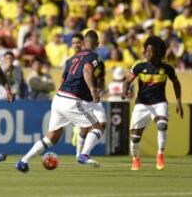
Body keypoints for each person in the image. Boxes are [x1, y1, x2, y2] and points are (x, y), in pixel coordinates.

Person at [16, 32, 105, 173]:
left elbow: (63, 80)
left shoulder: (72, 58)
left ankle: (23, 161)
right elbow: (87, 69)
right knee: (97, 128)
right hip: (71, 99)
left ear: (83, 43)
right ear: (96, 44)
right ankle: (84, 154)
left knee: (52, 138)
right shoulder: (95, 57)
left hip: (58, 99)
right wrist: (93, 90)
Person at [122, 36, 183, 171]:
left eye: (151, 52)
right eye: (146, 51)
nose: (148, 54)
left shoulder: (166, 67)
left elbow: (176, 83)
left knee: (162, 125)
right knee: (135, 138)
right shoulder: (139, 65)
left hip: (159, 102)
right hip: (142, 104)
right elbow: (127, 81)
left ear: (158, 52)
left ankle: (160, 154)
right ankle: (135, 159)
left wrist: (178, 101)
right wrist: (124, 90)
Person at [71, 31, 107, 159]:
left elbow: (101, 78)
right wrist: (92, 89)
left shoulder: (99, 62)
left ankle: (84, 153)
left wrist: (98, 88)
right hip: (83, 98)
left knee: (102, 124)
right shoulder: (78, 59)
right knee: (85, 127)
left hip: (94, 98)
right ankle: (79, 154)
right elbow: (86, 72)